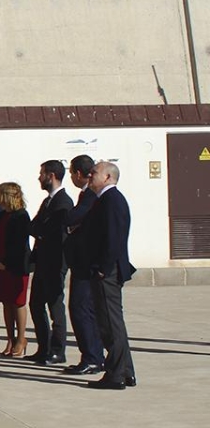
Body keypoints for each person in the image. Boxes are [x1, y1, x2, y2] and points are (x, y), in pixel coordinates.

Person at [84, 162, 137, 389]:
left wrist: (104, 267)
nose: (90, 175)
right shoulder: (105, 200)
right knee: (114, 322)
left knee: (109, 323)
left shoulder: (111, 200)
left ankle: (115, 375)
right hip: (107, 267)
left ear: (107, 177)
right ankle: (125, 371)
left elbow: (113, 238)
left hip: (108, 269)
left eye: (94, 173)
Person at [63, 155, 106, 376]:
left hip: (87, 263)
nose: (72, 177)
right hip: (81, 262)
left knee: (81, 310)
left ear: (79, 173)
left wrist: (68, 221)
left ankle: (92, 357)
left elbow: (73, 218)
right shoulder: (87, 194)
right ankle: (93, 356)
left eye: (72, 173)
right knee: (85, 310)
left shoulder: (91, 196)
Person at [27, 160, 73, 365]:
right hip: (42, 261)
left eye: (42, 173)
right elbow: (34, 226)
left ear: (52, 175)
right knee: (36, 304)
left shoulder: (63, 202)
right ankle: (43, 347)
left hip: (55, 262)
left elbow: (52, 231)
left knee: (55, 307)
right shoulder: (48, 202)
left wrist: (41, 230)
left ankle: (58, 350)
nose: (39, 177)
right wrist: (41, 230)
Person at [0, 182, 32, 357]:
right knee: (6, 302)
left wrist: (7, 262)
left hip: (16, 265)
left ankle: (21, 339)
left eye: (0, 193)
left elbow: (19, 244)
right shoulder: (2, 215)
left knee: (18, 302)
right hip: (0, 265)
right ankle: (10, 339)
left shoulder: (21, 216)